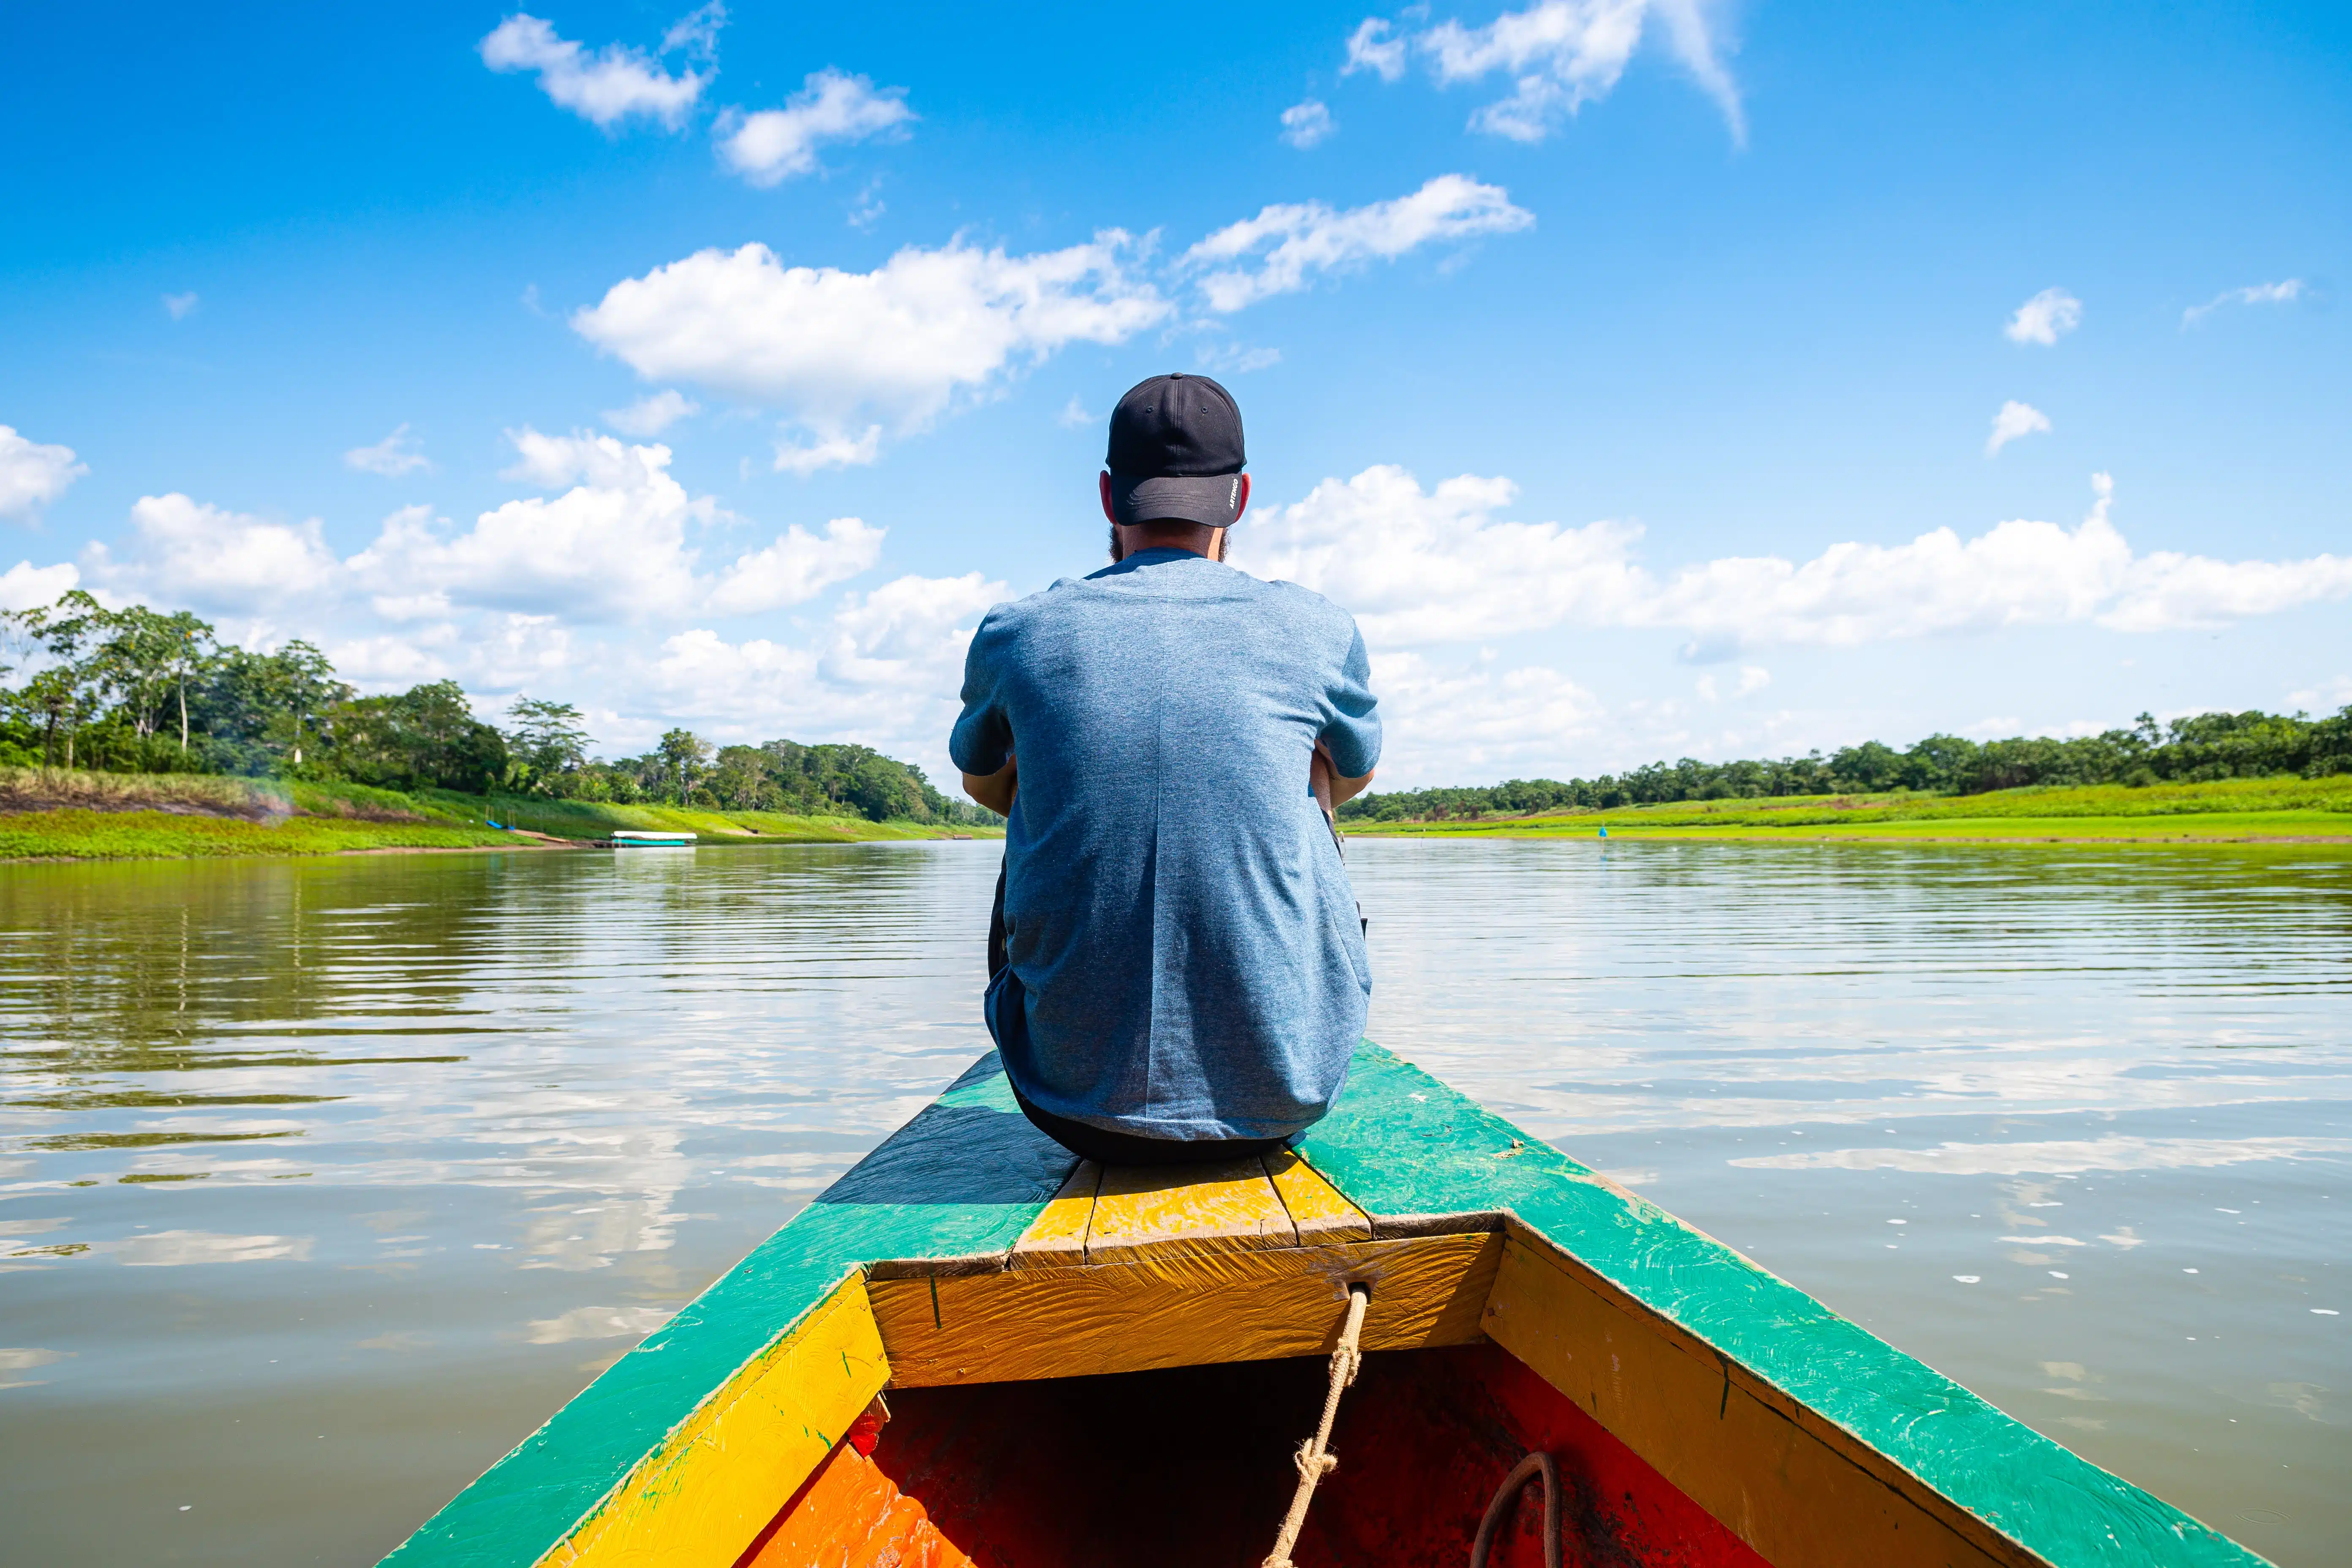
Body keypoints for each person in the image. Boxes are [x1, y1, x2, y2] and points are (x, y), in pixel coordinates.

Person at [950, 373, 1380, 1165]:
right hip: (1284, 1096)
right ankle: (1271, 1022)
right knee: (1315, 773)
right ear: (1240, 497)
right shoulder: (1317, 628)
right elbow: (1353, 778)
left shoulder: (1019, 630)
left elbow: (981, 782)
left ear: (1110, 497)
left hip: (1065, 1101)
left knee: (1031, 785)